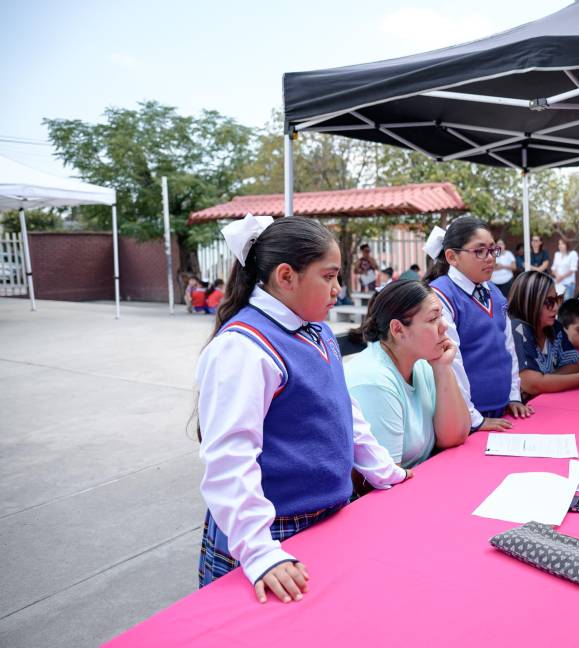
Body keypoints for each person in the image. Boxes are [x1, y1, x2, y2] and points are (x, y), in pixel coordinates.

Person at [196, 215, 410, 604]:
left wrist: (384, 472)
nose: (338, 289)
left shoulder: (317, 329)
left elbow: (345, 411)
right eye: (328, 277)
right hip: (269, 533)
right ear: (285, 276)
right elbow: (230, 457)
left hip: (326, 516)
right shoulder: (244, 347)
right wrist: (260, 553)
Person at [345, 280, 470, 469]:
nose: (444, 326)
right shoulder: (374, 381)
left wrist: (443, 368)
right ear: (397, 329)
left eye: (441, 316)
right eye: (432, 319)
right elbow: (385, 478)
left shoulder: (422, 362)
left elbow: (455, 436)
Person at [423, 217, 533, 432]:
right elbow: (451, 361)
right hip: (467, 417)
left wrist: (513, 395)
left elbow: (508, 347)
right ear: (452, 257)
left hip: (500, 410)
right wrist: (474, 418)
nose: (490, 258)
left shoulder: (494, 291)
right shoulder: (440, 296)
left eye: (493, 250)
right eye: (480, 251)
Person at [508, 271, 579, 401]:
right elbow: (531, 384)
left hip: (546, 402)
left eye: (557, 299)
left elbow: (575, 364)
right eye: (549, 301)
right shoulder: (517, 328)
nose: (556, 308)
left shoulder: (554, 327)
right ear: (530, 301)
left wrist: (546, 381)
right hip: (523, 412)